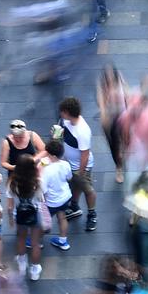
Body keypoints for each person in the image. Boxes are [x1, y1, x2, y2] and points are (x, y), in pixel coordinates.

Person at [56, 96, 97, 231]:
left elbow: (84, 154)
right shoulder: (65, 121)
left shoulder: (83, 131)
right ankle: (74, 206)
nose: (60, 113)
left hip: (80, 167)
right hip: (70, 164)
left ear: (67, 112)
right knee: (75, 185)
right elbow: (61, 136)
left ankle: (92, 214)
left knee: (87, 189)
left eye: (62, 111)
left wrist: (81, 172)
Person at [8, 154, 46, 280]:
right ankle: (35, 270)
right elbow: (42, 197)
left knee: (21, 239)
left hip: (20, 215)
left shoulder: (12, 183)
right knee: (35, 244)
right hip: (35, 214)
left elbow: (9, 206)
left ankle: (22, 265)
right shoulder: (37, 182)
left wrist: (11, 219)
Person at [41, 140, 74, 252]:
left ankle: (36, 241)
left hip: (52, 201)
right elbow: (69, 178)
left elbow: (43, 189)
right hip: (65, 197)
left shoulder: (46, 170)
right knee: (62, 217)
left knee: (43, 221)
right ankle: (63, 241)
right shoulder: (66, 164)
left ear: (52, 155)